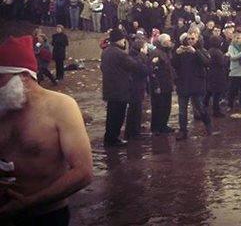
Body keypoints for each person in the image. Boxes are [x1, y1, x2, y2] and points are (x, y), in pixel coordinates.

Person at [0, 36, 93, 225]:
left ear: (23, 77)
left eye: (1, 78)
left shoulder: (61, 106)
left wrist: (28, 203)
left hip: (47, 214)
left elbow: (83, 172)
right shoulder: (3, 108)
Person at [101, 29, 150, 146]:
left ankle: (109, 138)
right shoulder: (119, 53)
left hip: (109, 88)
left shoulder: (106, 51)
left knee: (111, 115)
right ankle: (114, 140)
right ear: (119, 39)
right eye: (123, 38)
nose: (124, 41)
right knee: (118, 116)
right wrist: (143, 55)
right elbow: (135, 66)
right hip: (120, 89)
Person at [172, 32, 213, 140]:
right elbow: (174, 65)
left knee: (200, 107)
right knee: (182, 110)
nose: (190, 41)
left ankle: (208, 125)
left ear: (197, 39)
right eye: (188, 39)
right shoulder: (181, 51)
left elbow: (207, 63)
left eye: (192, 39)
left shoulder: (201, 50)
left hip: (197, 84)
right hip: (183, 84)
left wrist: (195, 52)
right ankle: (183, 131)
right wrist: (176, 53)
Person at [149, 33, 176, 135]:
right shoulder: (156, 53)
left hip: (167, 84)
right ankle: (157, 127)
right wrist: (156, 85)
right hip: (160, 85)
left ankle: (163, 125)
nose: (170, 43)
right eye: (168, 41)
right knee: (159, 107)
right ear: (164, 42)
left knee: (166, 106)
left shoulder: (166, 52)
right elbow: (153, 71)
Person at [226, 33, 241, 114]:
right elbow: (232, 57)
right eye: (240, 38)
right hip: (234, 72)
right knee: (232, 90)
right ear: (236, 39)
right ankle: (230, 105)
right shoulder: (231, 47)